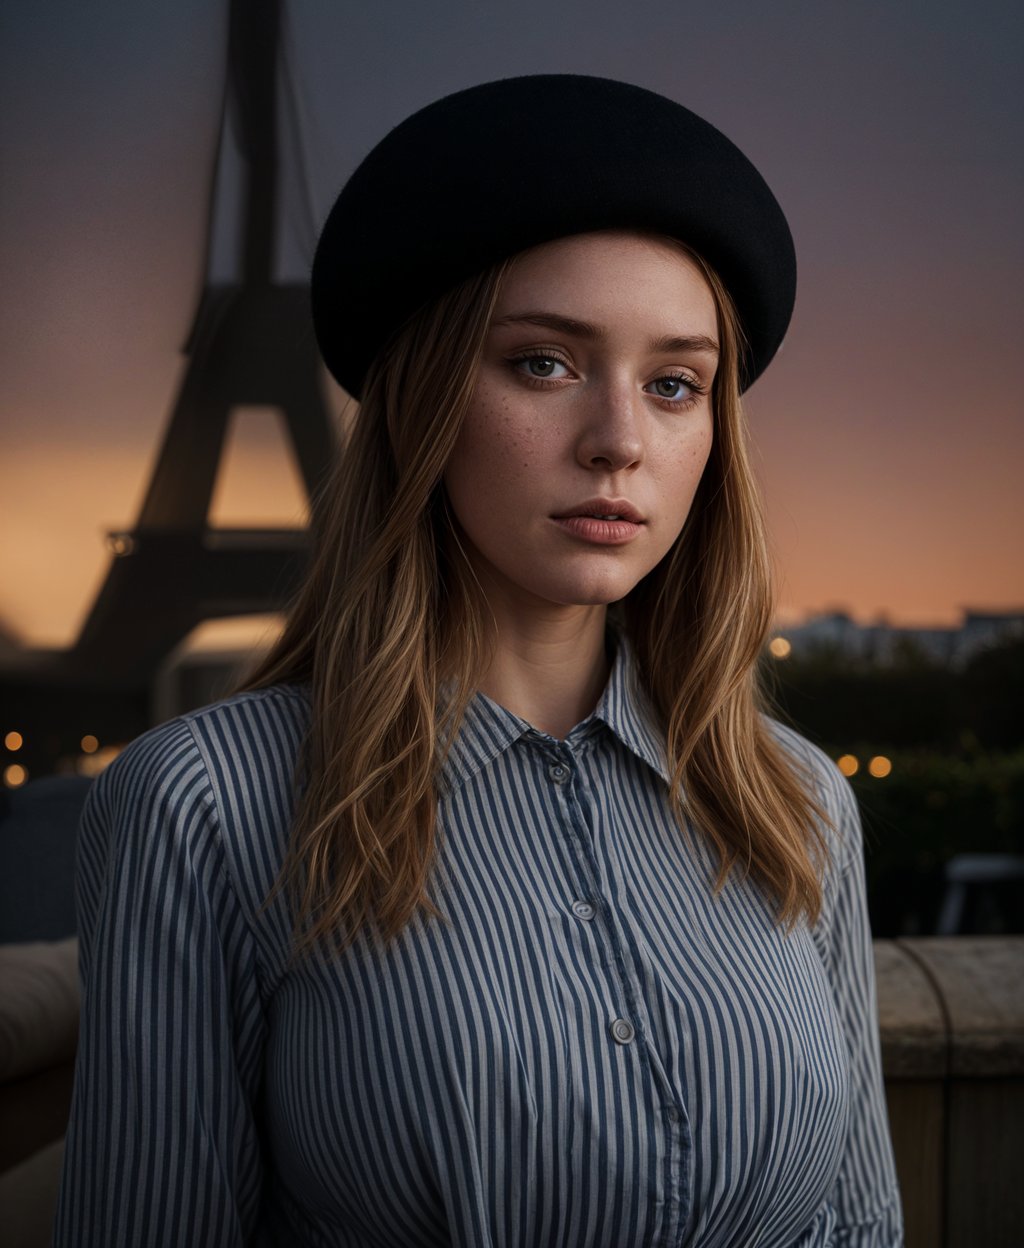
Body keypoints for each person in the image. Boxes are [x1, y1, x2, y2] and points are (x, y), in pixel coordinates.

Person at [53, 74, 903, 1246]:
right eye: (543, 363)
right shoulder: (208, 805)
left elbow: (856, 1227)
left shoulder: (798, 802)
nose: (619, 442)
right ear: (419, 399)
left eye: (674, 384)